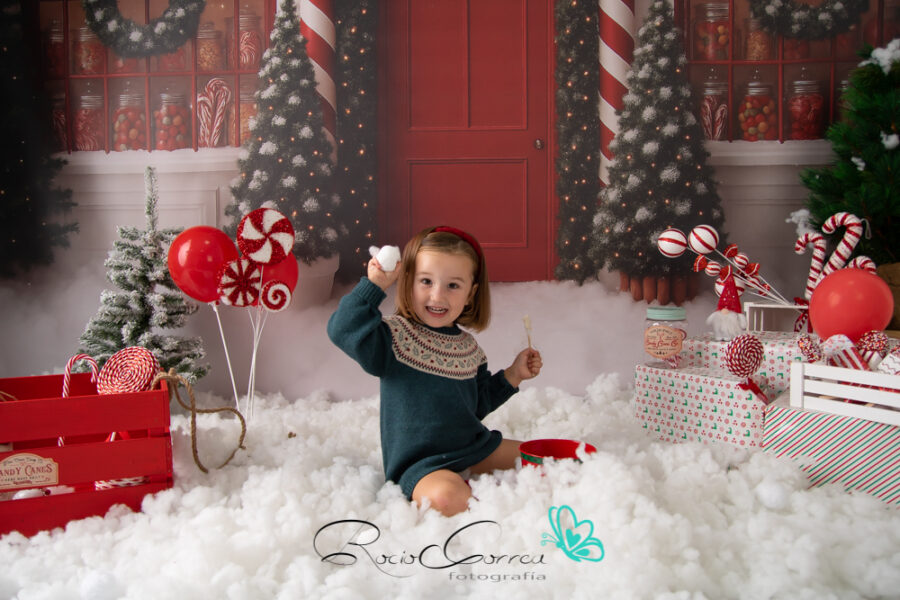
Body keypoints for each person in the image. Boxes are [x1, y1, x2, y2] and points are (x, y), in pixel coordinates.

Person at [327, 226, 542, 516]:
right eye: (426, 281)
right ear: (409, 283)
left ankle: (495, 488)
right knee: (447, 498)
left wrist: (513, 375)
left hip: (473, 448)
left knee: (543, 458)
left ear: (470, 293)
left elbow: (475, 405)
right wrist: (374, 285)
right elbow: (342, 329)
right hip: (421, 465)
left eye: (453, 285)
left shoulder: (469, 349)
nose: (437, 296)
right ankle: (481, 500)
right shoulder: (393, 338)